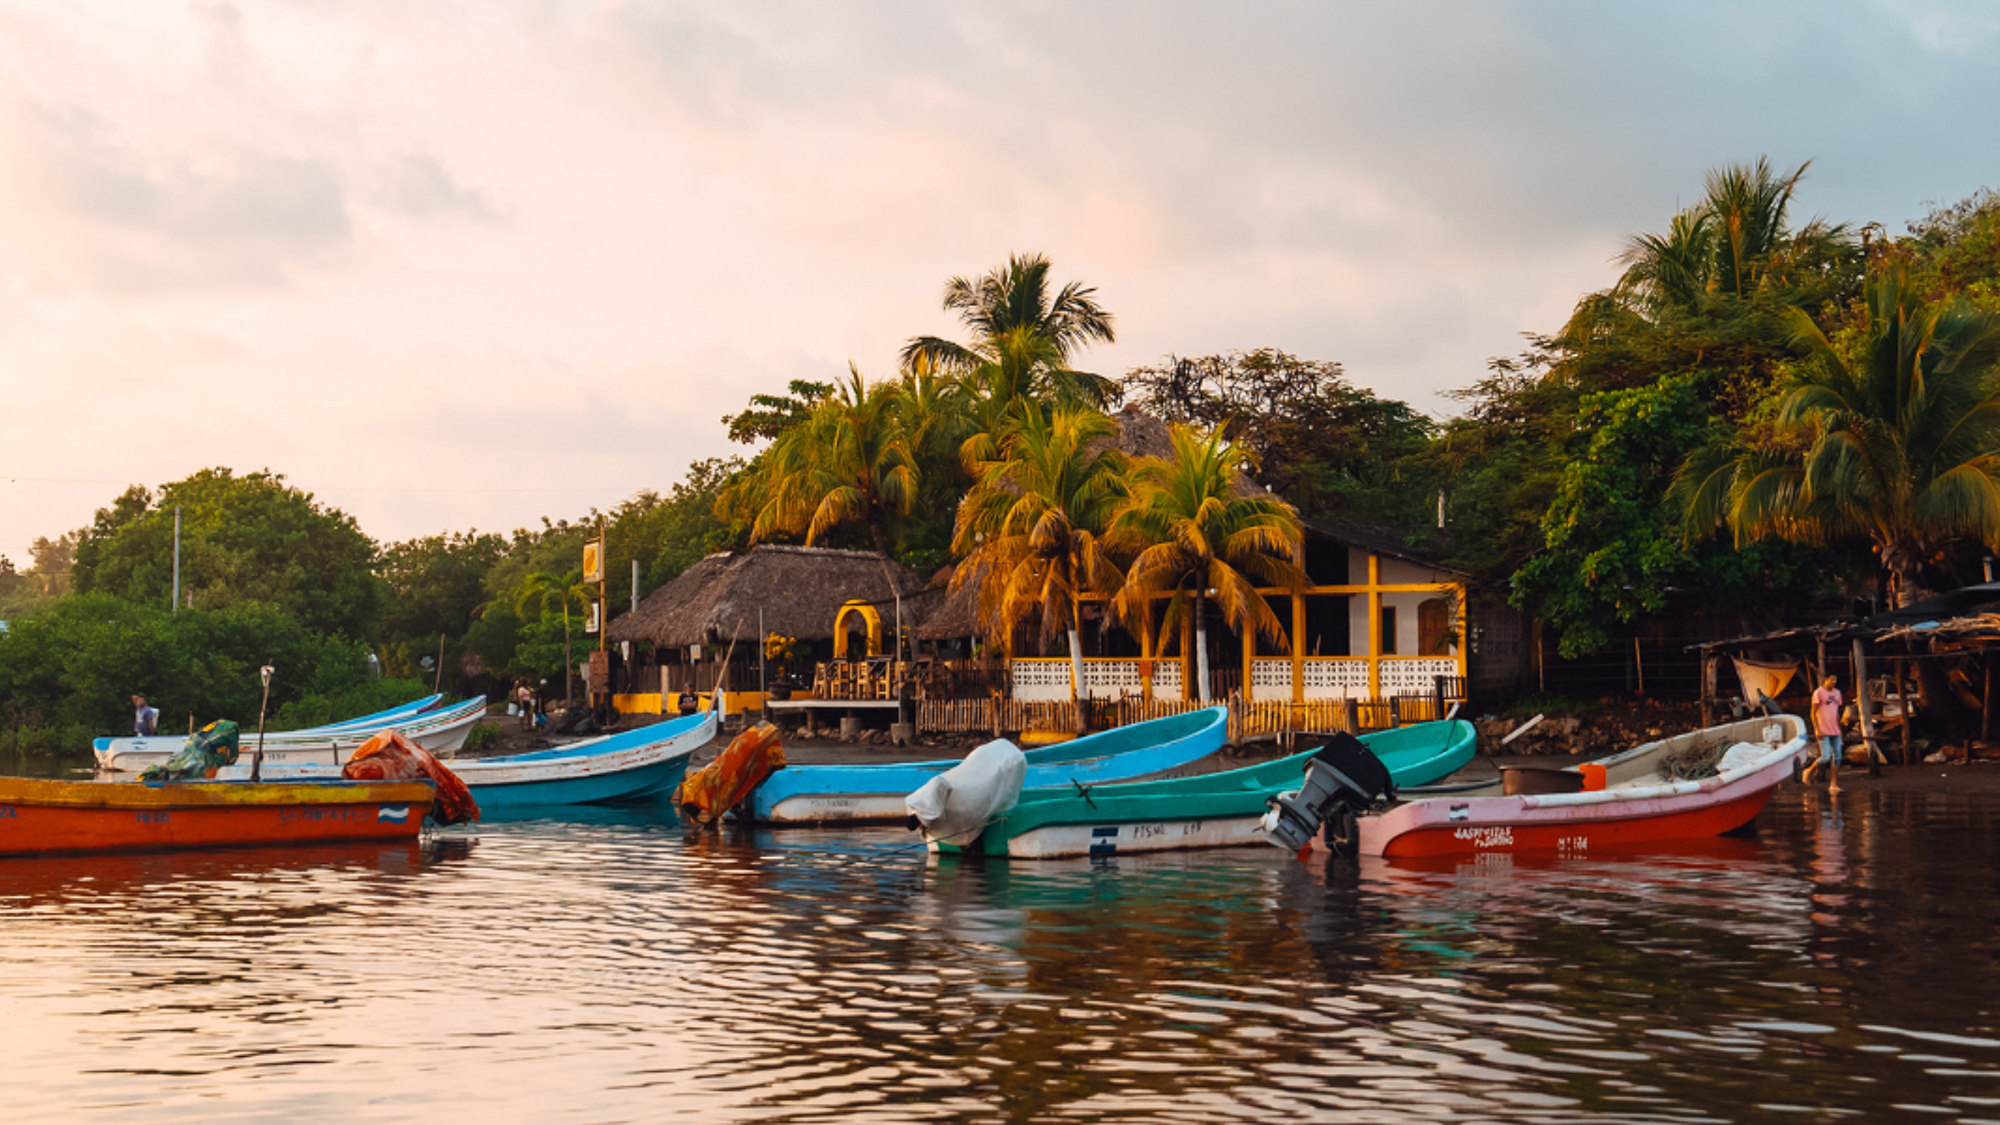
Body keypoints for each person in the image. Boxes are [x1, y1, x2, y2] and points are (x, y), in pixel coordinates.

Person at [1805, 675, 1843, 786]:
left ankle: (1833, 783)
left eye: (1835, 680)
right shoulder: (1818, 692)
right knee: (1826, 756)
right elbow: (1813, 712)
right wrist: (1816, 729)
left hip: (1835, 729)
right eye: (1832, 679)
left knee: (1838, 757)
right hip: (1823, 728)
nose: (1834, 682)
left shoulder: (1837, 693)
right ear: (1826, 679)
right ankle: (1808, 771)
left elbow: (1836, 711)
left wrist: (1840, 729)